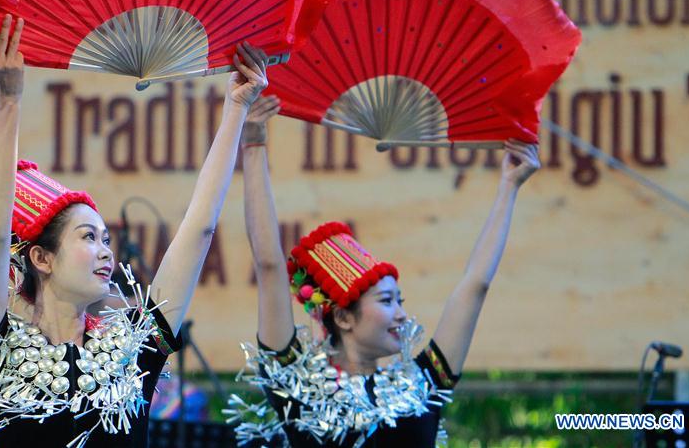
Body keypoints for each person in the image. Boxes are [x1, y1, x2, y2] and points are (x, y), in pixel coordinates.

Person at [0, 15, 270, 448]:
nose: (107, 252)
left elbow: (200, 230)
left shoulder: (134, 350)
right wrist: (7, 103)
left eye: (106, 239)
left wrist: (236, 109)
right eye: (89, 238)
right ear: (42, 258)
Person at [229, 95, 540, 447]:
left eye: (400, 300)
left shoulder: (421, 385)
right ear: (344, 318)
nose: (402, 314)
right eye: (388, 300)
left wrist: (509, 187)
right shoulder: (298, 387)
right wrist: (253, 141)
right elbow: (269, 267)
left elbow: (475, 286)